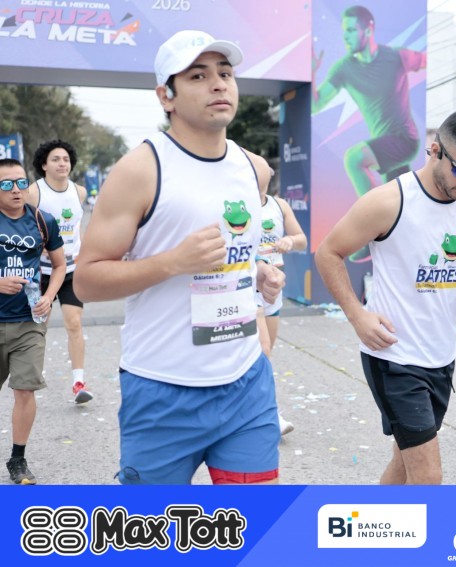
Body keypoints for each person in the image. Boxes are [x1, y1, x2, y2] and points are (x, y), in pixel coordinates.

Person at [73, 30, 284, 485]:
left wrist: (258, 271)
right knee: (155, 525)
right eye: (198, 76)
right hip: (162, 388)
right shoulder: (141, 169)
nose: (218, 84)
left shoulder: (254, 168)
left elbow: (235, 252)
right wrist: (172, 262)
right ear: (165, 96)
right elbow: (86, 280)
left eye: (225, 73)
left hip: (246, 382)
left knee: (258, 522)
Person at [315, 109, 456, 484]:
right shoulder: (389, 201)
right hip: (393, 357)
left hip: (441, 357)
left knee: (405, 464)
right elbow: (328, 253)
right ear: (435, 151)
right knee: (428, 477)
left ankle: (373, 521)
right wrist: (357, 315)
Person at [312, 5, 426, 262]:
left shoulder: (396, 56)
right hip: (385, 147)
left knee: (354, 158)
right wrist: (312, 72)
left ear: (368, 30)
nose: (346, 36)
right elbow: (315, 105)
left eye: (351, 30)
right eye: (344, 31)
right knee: (403, 209)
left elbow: (427, 60)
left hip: (405, 139)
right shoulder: (344, 68)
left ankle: (370, 232)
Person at [0, 158, 66, 484]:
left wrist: (49, 296)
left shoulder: (43, 220)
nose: (16, 190)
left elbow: (60, 265)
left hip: (30, 322)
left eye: (21, 182)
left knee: (25, 390)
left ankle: (18, 459)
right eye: (6, 184)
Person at [28, 139, 92, 404]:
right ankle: (28, 380)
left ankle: (79, 383)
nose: (62, 163)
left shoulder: (80, 192)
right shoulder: (34, 192)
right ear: (44, 165)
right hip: (41, 271)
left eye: (65, 159)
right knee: (37, 326)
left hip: (71, 269)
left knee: (74, 323)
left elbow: (77, 228)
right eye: (55, 159)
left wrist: (83, 253)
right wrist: (39, 248)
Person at [258, 170, 307, 437]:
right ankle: (269, 414)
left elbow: (301, 239)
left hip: (274, 285)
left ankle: (256, 414)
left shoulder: (279, 205)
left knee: (264, 356)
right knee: (262, 353)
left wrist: (290, 240)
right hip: (247, 285)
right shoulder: (234, 203)